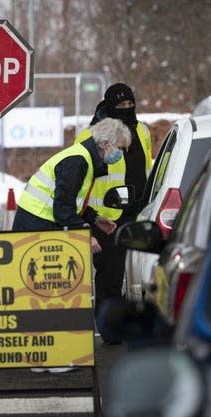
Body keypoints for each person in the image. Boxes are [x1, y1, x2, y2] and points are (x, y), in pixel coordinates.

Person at [73, 83, 153, 343]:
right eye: (120, 107)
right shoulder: (90, 136)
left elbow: (148, 167)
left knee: (141, 275)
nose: (127, 110)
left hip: (138, 213)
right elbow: (81, 179)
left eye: (131, 105)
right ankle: (110, 330)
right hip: (106, 216)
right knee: (110, 277)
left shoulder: (142, 131)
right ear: (109, 108)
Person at [13, 117, 132, 253]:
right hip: (36, 221)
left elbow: (71, 200)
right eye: (120, 148)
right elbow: (63, 207)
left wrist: (95, 218)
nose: (121, 154)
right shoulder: (77, 161)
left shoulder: (84, 158)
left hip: (40, 219)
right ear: (105, 144)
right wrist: (84, 235)